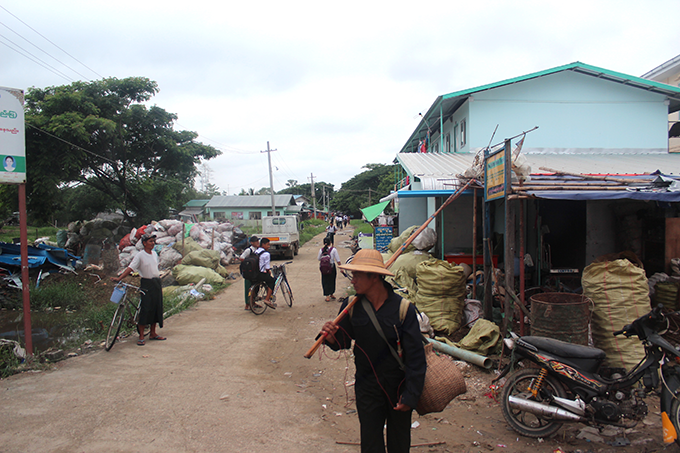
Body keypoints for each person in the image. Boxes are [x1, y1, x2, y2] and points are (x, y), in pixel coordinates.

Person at [321, 249, 426, 453]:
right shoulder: (350, 306)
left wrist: (410, 395)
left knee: (399, 443)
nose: (353, 281)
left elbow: (416, 358)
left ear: (375, 277)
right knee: (370, 443)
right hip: (367, 387)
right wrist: (331, 336)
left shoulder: (403, 309)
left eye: (358, 275)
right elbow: (342, 340)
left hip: (399, 388)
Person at [111, 233, 165, 346]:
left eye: (153, 241)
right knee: (145, 309)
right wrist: (119, 278)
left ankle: (153, 333)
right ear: (144, 243)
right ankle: (141, 336)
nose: (152, 243)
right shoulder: (140, 255)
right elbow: (130, 268)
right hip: (147, 283)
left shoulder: (154, 254)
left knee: (156, 308)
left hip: (156, 283)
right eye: (150, 241)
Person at [238, 236, 260, 310]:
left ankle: (253, 302)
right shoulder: (248, 250)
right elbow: (241, 258)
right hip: (249, 272)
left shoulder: (258, 250)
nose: (257, 242)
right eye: (256, 241)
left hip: (255, 272)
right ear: (252, 243)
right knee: (248, 288)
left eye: (258, 241)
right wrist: (248, 263)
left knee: (256, 287)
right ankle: (247, 304)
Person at [317, 237, 341, 302]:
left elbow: (319, 258)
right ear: (330, 243)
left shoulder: (321, 250)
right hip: (331, 267)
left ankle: (327, 296)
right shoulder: (334, 250)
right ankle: (331, 294)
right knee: (332, 280)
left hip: (324, 268)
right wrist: (341, 267)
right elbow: (338, 260)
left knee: (325, 281)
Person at [257, 238, 277, 308]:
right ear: (263, 244)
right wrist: (269, 272)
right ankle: (267, 299)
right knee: (271, 281)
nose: (269, 246)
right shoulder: (266, 254)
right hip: (261, 273)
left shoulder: (256, 251)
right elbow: (267, 268)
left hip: (254, 273)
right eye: (268, 245)